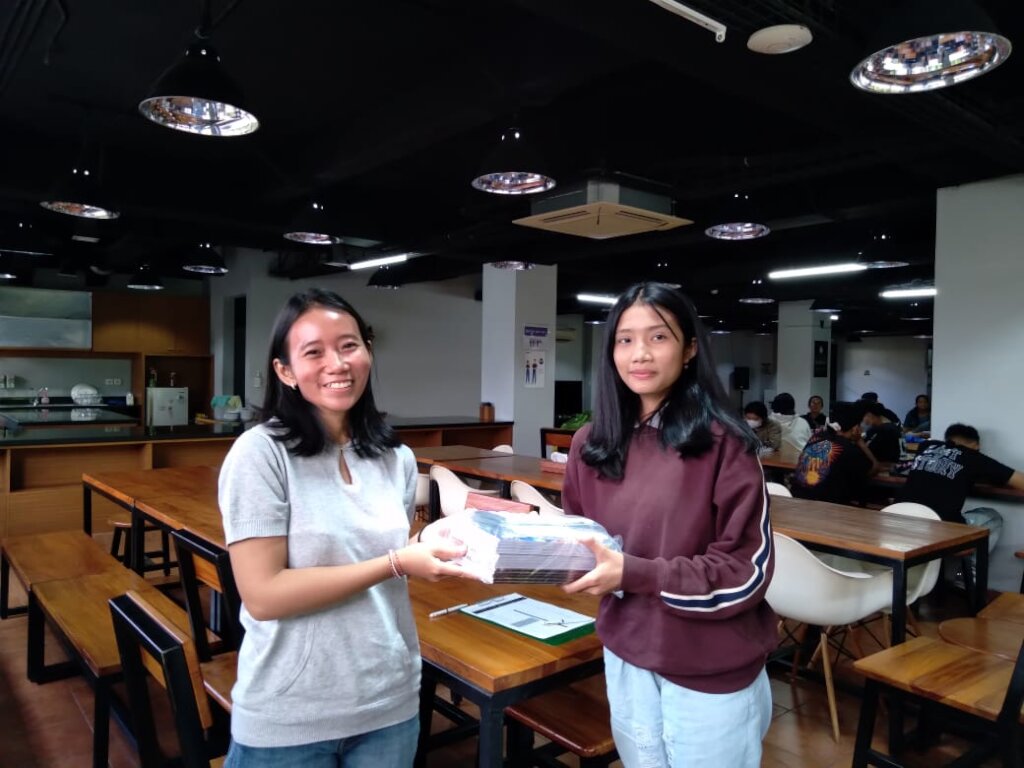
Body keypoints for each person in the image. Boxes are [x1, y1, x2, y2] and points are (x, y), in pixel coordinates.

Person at [218, 288, 471, 767]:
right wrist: (396, 562)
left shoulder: (395, 457)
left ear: (368, 352)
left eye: (349, 345)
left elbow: (379, 550)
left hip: (388, 702)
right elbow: (264, 595)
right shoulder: (260, 454)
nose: (337, 363)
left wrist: (423, 543)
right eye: (314, 352)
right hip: (290, 713)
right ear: (285, 371)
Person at [560, 282, 776, 767]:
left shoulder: (725, 444)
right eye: (625, 339)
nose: (640, 354)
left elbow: (745, 572)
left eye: (658, 337)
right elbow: (582, 540)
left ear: (690, 348)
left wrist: (634, 572)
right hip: (626, 653)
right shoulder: (590, 445)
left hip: (708, 664)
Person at [897, 423, 1024, 550]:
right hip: (940, 531)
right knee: (992, 517)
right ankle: (971, 562)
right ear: (976, 445)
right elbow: (1020, 481)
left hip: (898, 521)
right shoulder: (974, 457)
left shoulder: (926, 446)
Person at [791, 401, 880, 504]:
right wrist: (860, 441)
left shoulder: (816, 437)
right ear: (855, 428)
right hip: (827, 508)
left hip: (797, 500)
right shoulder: (850, 449)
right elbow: (874, 468)